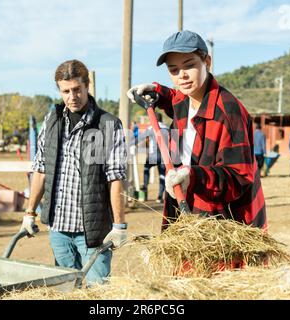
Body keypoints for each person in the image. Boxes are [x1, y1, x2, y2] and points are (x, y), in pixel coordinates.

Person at [127, 30, 266, 230]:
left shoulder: (228, 112)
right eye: (173, 70)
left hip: (225, 225)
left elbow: (238, 177)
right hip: (188, 217)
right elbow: (174, 98)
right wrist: (157, 91)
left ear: (207, 62)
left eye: (189, 65)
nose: (181, 76)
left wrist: (193, 177)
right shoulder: (185, 99)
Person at [21, 59, 128, 286]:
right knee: (65, 289)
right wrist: (29, 212)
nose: (72, 96)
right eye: (66, 91)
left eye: (77, 89)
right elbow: (40, 169)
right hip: (58, 229)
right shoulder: (52, 121)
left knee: (97, 290)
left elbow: (115, 177)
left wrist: (119, 225)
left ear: (87, 85)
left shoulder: (107, 124)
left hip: (92, 231)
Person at [134, 112, 168, 203]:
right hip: (164, 156)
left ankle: (144, 189)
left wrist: (131, 144)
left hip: (153, 155)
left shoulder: (150, 128)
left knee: (146, 169)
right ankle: (160, 196)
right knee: (162, 175)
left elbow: (140, 138)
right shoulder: (166, 128)